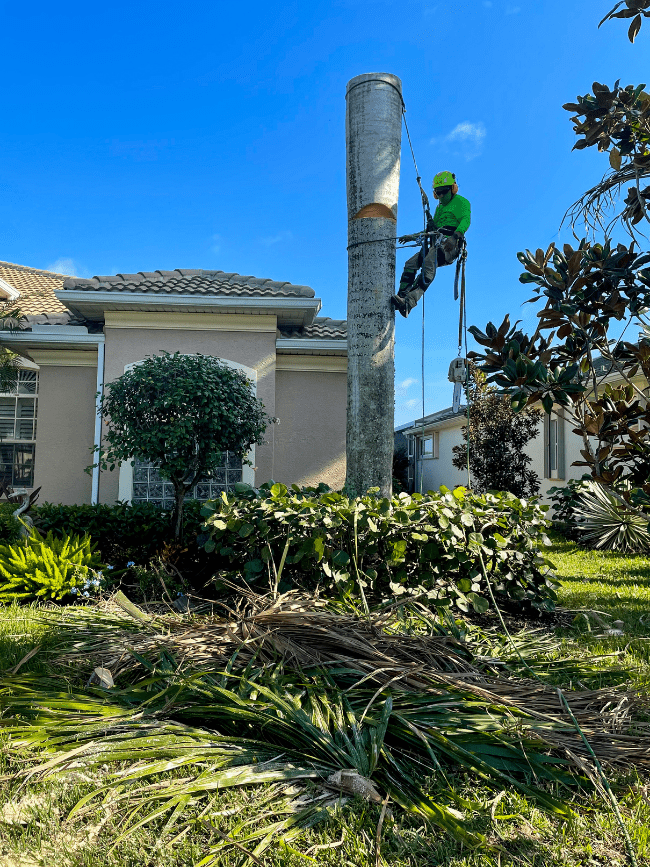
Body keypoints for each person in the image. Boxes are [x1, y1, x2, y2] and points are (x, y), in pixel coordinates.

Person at [391, 170, 471, 318]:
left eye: (443, 192)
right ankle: (401, 297)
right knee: (410, 264)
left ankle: (409, 302)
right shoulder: (439, 208)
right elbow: (432, 230)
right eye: (437, 192)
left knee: (429, 263)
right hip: (435, 242)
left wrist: (454, 238)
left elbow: (466, 221)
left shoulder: (462, 202)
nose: (440, 196)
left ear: (452, 189)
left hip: (449, 245)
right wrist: (412, 236)